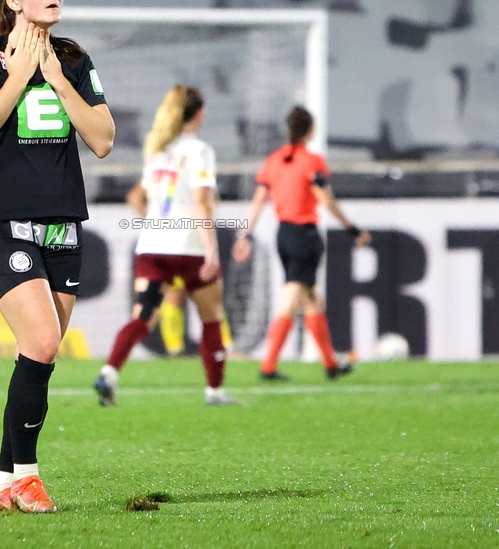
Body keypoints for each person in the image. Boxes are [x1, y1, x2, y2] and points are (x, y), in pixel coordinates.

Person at [0, 0, 115, 514]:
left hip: (62, 223)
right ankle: (28, 476)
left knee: (39, 353)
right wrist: (20, 75)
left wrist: (53, 77)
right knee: (44, 341)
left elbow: (102, 139)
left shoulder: (73, 58)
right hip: (1, 224)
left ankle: (5, 481)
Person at [93, 85, 237, 407]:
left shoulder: (158, 150)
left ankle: (108, 374)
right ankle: (215, 392)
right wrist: (211, 248)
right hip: (189, 247)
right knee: (211, 316)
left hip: (153, 247)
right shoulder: (199, 151)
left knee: (142, 316)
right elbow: (202, 200)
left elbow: (135, 197)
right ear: (198, 114)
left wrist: (155, 222)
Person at [232, 106, 370, 381]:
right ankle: (268, 365)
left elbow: (259, 201)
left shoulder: (274, 160)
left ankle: (331, 365)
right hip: (304, 235)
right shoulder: (312, 162)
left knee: (311, 298)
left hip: (283, 235)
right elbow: (325, 199)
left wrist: (244, 234)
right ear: (311, 130)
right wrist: (352, 229)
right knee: (294, 294)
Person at [125, 182, 234, 356]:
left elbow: (210, 201)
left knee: (206, 297)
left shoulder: (194, 169)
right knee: (176, 296)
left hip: (194, 241)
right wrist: (153, 221)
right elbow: (135, 196)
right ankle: (177, 349)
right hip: (178, 244)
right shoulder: (171, 169)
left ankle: (220, 347)